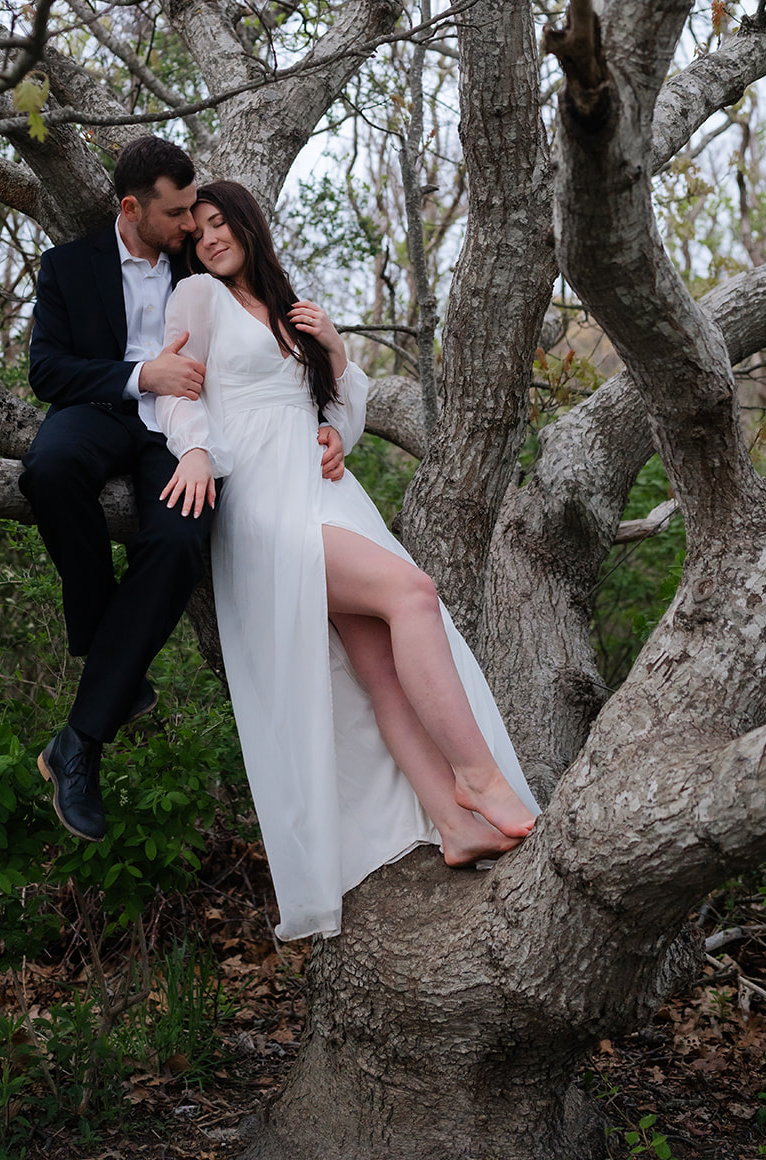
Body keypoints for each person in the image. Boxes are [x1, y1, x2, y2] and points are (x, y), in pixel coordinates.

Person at [155, 180, 540, 941]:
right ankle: (477, 776)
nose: (208, 237)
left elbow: (338, 416)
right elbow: (176, 391)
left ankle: (452, 825)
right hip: (266, 502)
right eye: (196, 229)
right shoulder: (196, 299)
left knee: (379, 673)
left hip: (326, 491)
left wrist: (332, 355)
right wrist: (193, 449)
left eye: (219, 221)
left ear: (247, 225)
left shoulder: (291, 310)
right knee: (412, 592)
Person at [20, 138, 344, 844]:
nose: (191, 227)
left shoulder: (199, 267)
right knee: (47, 470)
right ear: (131, 208)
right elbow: (47, 372)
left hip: (185, 432)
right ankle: (106, 645)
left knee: (177, 541)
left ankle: (79, 742)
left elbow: (270, 347)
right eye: (175, 215)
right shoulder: (69, 267)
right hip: (103, 412)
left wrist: (328, 419)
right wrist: (141, 376)